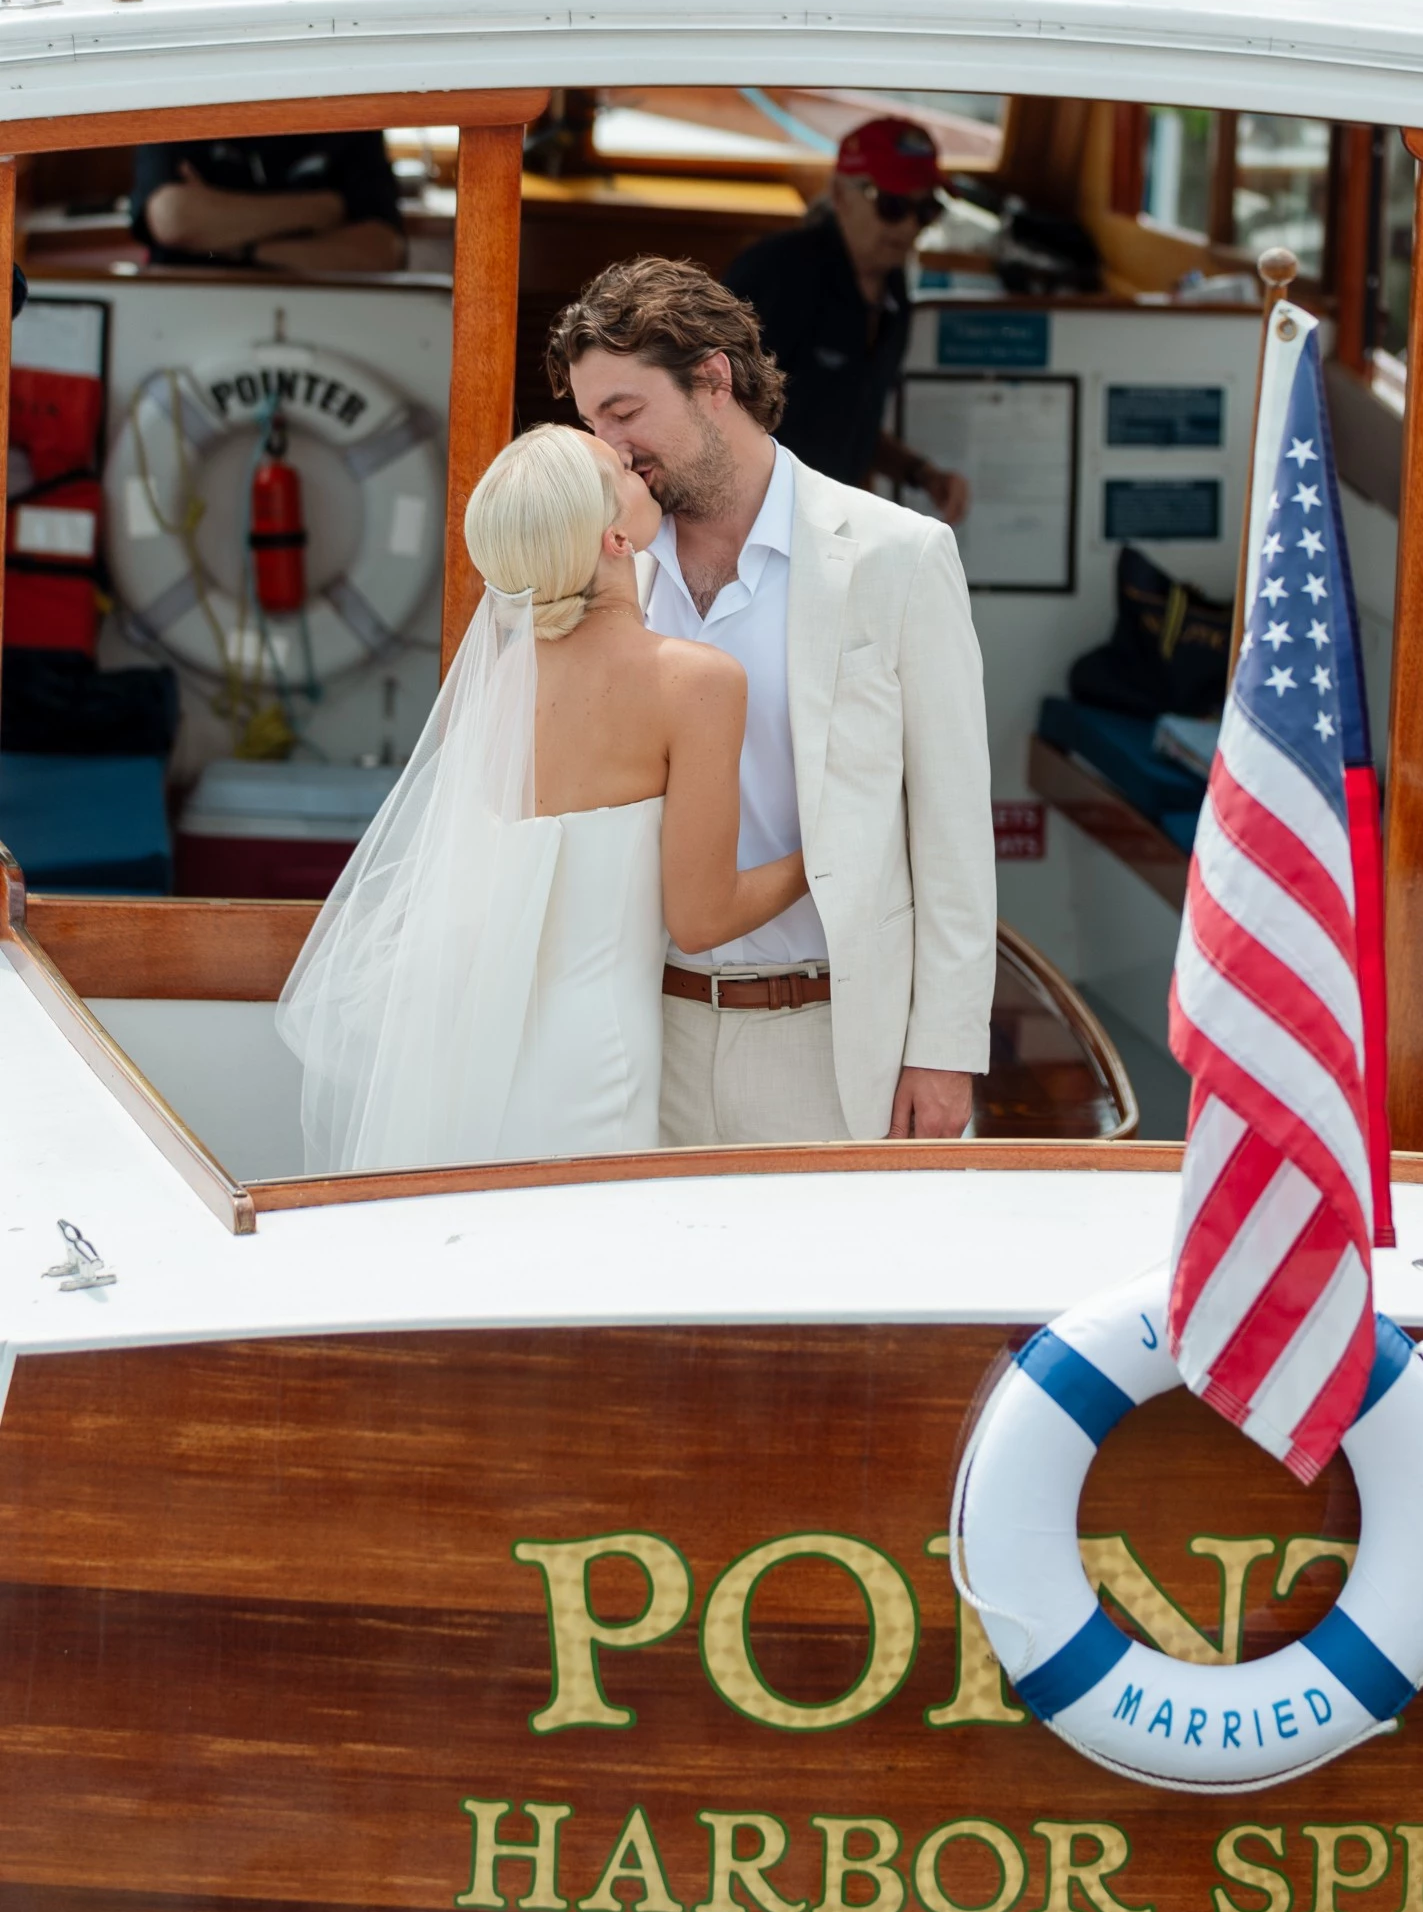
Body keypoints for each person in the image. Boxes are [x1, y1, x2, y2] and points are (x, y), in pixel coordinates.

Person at [275, 422, 809, 1175]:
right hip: (594, 1061)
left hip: (473, 1052)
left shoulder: (502, 682)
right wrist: (826, 852)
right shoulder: (693, 680)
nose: (634, 462)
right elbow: (702, 918)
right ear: (616, 540)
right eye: (618, 470)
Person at [551, 254, 996, 1147]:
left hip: (831, 1041)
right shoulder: (599, 564)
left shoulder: (898, 555)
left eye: (625, 411)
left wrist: (945, 1051)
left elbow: (953, 823)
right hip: (639, 1033)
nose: (609, 448)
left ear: (714, 379)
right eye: (592, 421)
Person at [725, 114, 971, 522]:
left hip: (825, 524)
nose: (910, 226)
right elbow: (708, 411)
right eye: (891, 205)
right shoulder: (774, 275)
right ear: (840, 194)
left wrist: (921, 474)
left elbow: (846, 419)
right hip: (754, 522)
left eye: (926, 210)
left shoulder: (893, 295)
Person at [132, 132, 407, 275]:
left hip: (320, 313)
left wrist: (230, 243)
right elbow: (173, 218)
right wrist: (321, 209)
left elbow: (382, 252)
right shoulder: (183, 98)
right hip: (191, 309)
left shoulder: (349, 111)